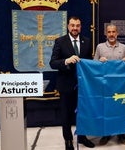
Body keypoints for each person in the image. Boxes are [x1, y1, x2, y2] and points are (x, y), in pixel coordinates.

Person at [49, 16, 95, 150]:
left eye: (78, 25)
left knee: (83, 112)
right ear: (68, 26)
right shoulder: (60, 41)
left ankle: (82, 136)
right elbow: (52, 63)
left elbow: (89, 63)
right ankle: (68, 140)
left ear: (80, 27)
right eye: (72, 25)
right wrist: (66, 61)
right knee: (66, 114)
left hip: (83, 85)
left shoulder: (86, 41)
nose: (75, 28)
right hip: (66, 84)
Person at [93, 24, 125, 145]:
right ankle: (106, 134)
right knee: (106, 109)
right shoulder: (100, 47)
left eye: (114, 32)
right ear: (106, 34)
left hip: (120, 85)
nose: (112, 34)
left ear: (117, 33)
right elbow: (94, 66)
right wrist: (99, 61)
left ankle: (121, 134)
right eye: (109, 32)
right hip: (105, 85)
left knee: (121, 109)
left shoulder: (123, 47)